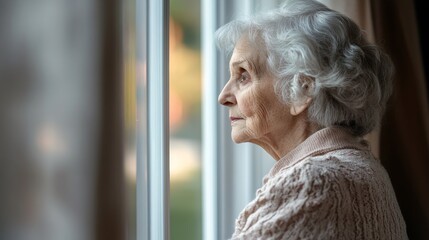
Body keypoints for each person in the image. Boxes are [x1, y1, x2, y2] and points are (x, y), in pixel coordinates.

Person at [216, 0, 408, 239]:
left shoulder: (311, 183)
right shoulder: (362, 168)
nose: (223, 96)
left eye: (243, 76)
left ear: (303, 90)